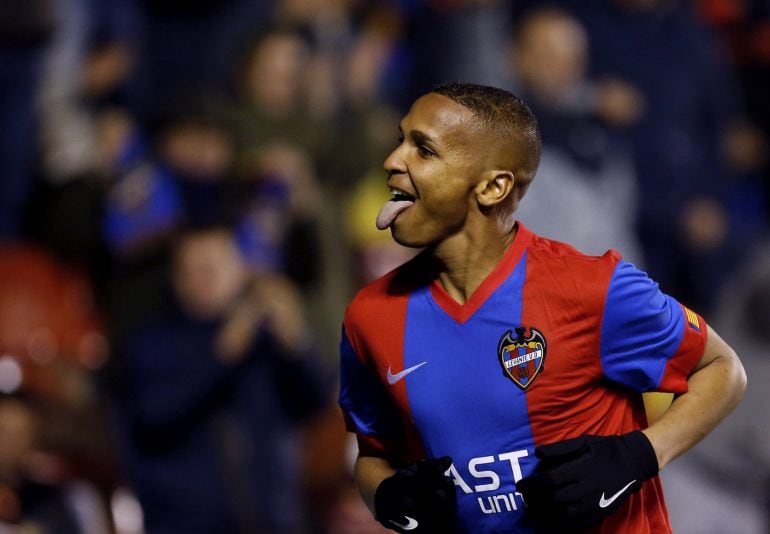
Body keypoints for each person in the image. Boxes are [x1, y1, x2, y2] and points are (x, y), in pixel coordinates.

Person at [338, 82, 746, 533]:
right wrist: (387, 496)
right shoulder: (370, 318)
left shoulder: (593, 288)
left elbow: (723, 369)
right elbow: (374, 454)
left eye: (424, 150)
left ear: (493, 186)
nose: (393, 161)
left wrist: (638, 455)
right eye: (401, 140)